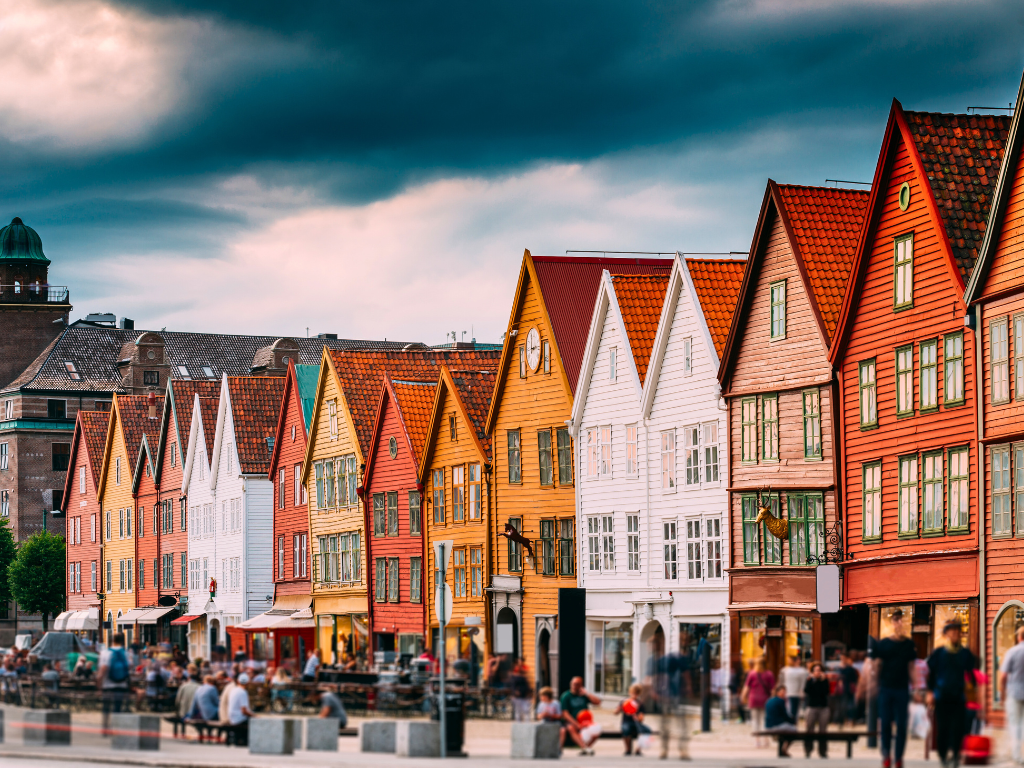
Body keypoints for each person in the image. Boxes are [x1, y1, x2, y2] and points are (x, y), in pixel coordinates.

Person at [870, 609, 918, 768]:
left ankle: (898, 758)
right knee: (885, 724)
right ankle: (886, 756)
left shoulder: (909, 644)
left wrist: (917, 688)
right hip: (886, 689)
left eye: (902, 620)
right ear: (892, 623)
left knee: (902, 725)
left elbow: (912, 667)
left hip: (902, 690)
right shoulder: (883, 644)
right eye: (897, 620)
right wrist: (874, 684)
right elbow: (876, 665)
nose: (900, 623)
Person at [927, 618, 977, 768]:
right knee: (943, 729)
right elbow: (930, 674)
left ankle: (955, 756)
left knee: (958, 729)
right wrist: (930, 693)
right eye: (952, 630)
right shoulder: (939, 653)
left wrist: (974, 690)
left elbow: (971, 674)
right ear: (946, 633)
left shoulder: (965, 654)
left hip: (958, 697)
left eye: (958, 630)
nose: (956, 633)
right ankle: (943, 756)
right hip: (941, 697)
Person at [97, 632, 132, 736]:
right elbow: (130, 666)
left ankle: (105, 729)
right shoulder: (126, 653)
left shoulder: (106, 652)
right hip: (121, 684)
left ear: (112, 640)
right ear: (122, 641)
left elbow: (103, 669)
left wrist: (99, 683)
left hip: (108, 685)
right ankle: (116, 729)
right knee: (118, 707)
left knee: (106, 708)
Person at [999, 626, 1024, 765]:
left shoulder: (1013, 652)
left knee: (1015, 724)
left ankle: (1017, 755)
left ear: (1019, 637)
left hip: (1014, 692)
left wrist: (1002, 695)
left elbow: (1003, 676)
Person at [560, 676, 601, 755]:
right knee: (570, 728)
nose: (574, 686)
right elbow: (565, 713)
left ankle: (586, 748)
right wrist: (576, 724)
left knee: (597, 728)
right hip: (572, 721)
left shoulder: (583, 695)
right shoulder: (566, 696)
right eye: (573, 684)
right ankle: (584, 747)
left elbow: (597, 702)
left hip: (585, 721)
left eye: (577, 684)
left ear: (581, 685)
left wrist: (587, 693)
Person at [537, 685, 585, 752]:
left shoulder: (556, 703)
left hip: (555, 722)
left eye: (542, 696)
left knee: (563, 730)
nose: (540, 698)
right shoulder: (541, 704)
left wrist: (551, 715)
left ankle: (559, 749)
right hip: (545, 722)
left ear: (547, 696)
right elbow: (538, 716)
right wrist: (542, 715)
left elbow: (560, 716)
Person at [743, 657, 775, 747]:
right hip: (765, 699)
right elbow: (773, 689)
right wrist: (772, 699)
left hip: (753, 699)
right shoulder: (769, 674)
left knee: (755, 720)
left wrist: (743, 697)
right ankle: (766, 740)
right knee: (765, 720)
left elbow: (746, 687)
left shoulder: (752, 674)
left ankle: (757, 741)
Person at [803, 662, 830, 758]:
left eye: (820, 670)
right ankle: (808, 750)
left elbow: (826, 692)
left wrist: (823, 680)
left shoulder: (825, 680)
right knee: (810, 729)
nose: (818, 672)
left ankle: (823, 751)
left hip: (823, 707)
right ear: (812, 672)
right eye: (816, 670)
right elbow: (807, 691)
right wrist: (812, 680)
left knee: (823, 730)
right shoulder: (810, 680)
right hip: (812, 706)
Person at [764, 684, 798, 757]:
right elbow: (785, 715)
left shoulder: (769, 700)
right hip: (776, 725)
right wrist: (793, 722)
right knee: (794, 730)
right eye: (782, 692)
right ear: (777, 692)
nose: (784, 693)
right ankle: (784, 750)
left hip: (768, 726)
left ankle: (782, 751)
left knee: (786, 729)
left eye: (785, 692)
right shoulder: (780, 701)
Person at [615, 683, 647, 756]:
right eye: (632, 693)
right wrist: (620, 708)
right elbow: (615, 713)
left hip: (636, 724)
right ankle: (628, 750)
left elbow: (641, 719)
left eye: (636, 694)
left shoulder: (640, 703)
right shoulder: (624, 701)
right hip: (626, 722)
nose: (634, 695)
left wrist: (637, 717)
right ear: (629, 692)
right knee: (625, 728)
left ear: (639, 694)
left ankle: (638, 750)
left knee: (647, 730)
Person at [226, 676, 254, 746]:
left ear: (238, 681)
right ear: (248, 683)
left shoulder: (233, 690)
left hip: (232, 717)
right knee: (256, 722)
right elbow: (244, 711)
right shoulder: (243, 692)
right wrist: (255, 716)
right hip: (239, 719)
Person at [173, 666, 200, 739]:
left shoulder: (183, 686)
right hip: (194, 712)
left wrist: (177, 709)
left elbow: (178, 699)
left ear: (189, 678)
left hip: (183, 711)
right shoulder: (199, 687)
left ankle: (181, 733)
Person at [780, 656, 808, 722]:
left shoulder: (802, 671)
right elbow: (782, 681)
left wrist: (802, 692)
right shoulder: (784, 670)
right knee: (787, 711)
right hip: (786, 693)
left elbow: (803, 683)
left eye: (790, 660)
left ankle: (793, 725)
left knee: (794, 712)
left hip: (796, 694)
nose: (788, 661)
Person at [838, 655, 860, 725]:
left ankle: (849, 719)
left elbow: (853, 678)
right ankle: (848, 719)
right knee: (847, 704)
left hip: (847, 688)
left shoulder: (848, 669)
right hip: (847, 688)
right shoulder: (849, 669)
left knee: (848, 704)